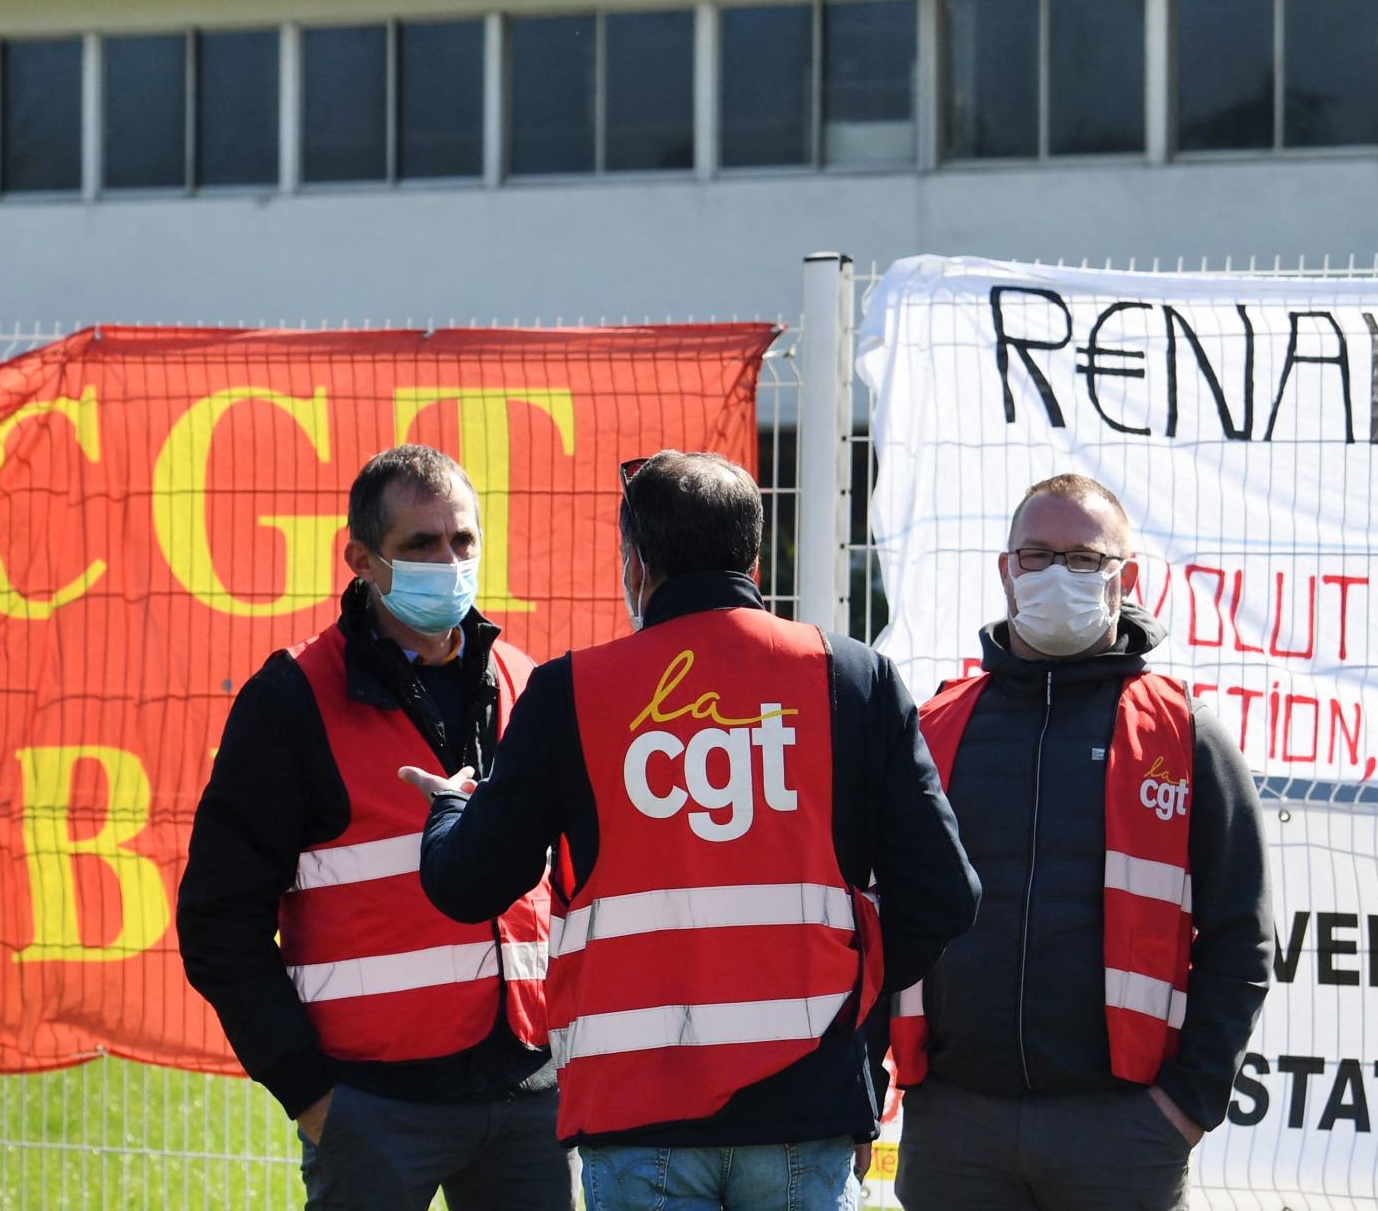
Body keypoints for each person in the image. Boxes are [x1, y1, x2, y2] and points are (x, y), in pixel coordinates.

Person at [405, 451, 979, 1211]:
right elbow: (944, 896)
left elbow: (468, 880)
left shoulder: (571, 691)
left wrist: (450, 807)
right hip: (808, 1103)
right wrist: (850, 989)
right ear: (754, 555)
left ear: (638, 563)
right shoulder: (854, 678)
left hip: (641, 1107)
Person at [178, 444, 570, 1211]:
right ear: (360, 557)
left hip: (526, 1093)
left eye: (462, 540)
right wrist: (310, 1094)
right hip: (370, 1105)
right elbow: (218, 916)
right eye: (420, 544)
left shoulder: (527, 684)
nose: (448, 560)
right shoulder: (292, 699)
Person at [887, 473, 1271, 1211]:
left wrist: (1185, 1107)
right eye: (1037, 554)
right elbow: (880, 910)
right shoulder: (936, 727)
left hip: (1122, 1133)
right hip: (957, 1129)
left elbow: (1241, 937)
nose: (1058, 572)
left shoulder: (1184, 734)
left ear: (1124, 578)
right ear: (1006, 571)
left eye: (1085, 558)